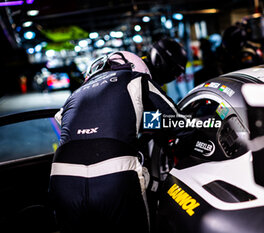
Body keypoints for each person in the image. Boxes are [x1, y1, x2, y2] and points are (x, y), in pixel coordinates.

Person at [49, 38, 187, 233]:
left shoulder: (75, 95)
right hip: (114, 174)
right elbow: (176, 120)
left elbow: (63, 121)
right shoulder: (137, 78)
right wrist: (206, 125)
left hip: (63, 178)